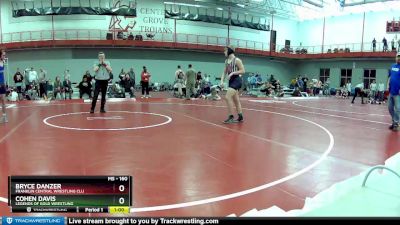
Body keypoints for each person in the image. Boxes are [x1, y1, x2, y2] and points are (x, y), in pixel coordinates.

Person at [220, 46, 245, 124]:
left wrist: (233, 73)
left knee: (227, 97)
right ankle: (240, 116)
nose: (224, 52)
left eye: (225, 51)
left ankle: (231, 117)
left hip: (237, 80)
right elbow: (224, 72)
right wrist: (221, 81)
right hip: (231, 81)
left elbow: (243, 71)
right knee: (236, 100)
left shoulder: (237, 60)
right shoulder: (226, 61)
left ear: (229, 51)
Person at [387, 52, 400, 131]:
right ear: (396, 58)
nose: (399, 58)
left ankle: (396, 123)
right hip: (391, 91)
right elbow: (390, 76)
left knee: (398, 109)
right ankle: (394, 121)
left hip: (398, 93)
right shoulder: (392, 66)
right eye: (398, 57)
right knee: (390, 108)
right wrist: (387, 84)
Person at [0, 49, 7, 123]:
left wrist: (4, 83)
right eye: (3, 55)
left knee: (3, 100)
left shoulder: (3, 62)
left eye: (5, 55)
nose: (4, 56)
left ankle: (4, 116)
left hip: (2, 84)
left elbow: (2, 74)